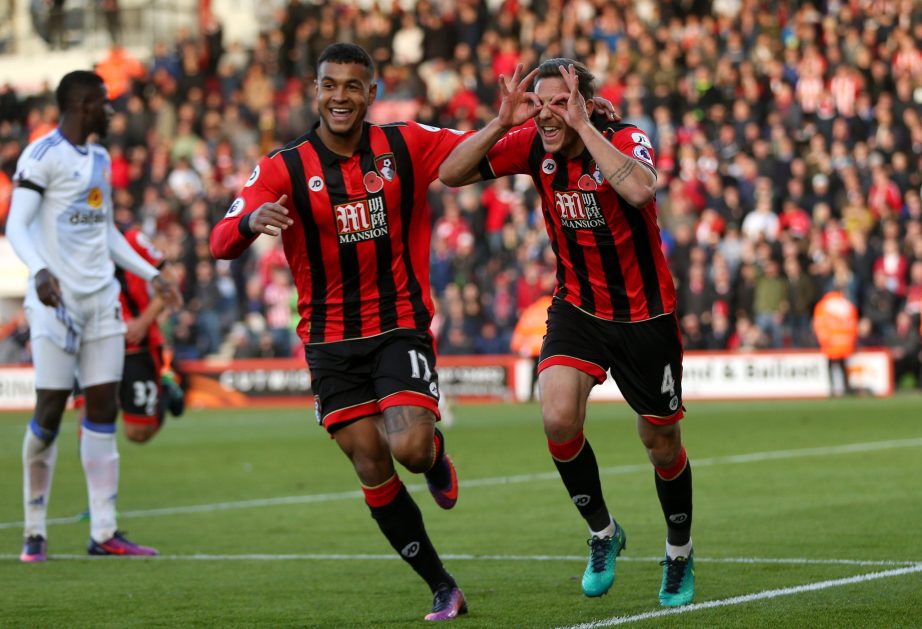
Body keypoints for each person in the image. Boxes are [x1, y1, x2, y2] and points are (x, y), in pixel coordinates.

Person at [209, 43, 468, 622]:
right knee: (371, 463)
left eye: (353, 85)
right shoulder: (284, 167)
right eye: (331, 85)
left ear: (371, 93)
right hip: (329, 342)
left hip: (397, 324)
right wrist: (251, 221)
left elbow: (479, 152)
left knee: (408, 448)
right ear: (316, 90)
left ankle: (433, 455)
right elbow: (220, 239)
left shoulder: (404, 144)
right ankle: (442, 585)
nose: (341, 96)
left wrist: (515, 121)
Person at [439, 60, 695, 607]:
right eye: (540, 103)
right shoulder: (531, 142)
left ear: (584, 102)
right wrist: (501, 120)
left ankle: (678, 553)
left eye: (560, 102)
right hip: (578, 307)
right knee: (556, 416)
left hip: (644, 317)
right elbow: (451, 172)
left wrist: (583, 128)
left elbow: (643, 190)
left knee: (660, 441)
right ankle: (603, 533)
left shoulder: (625, 138)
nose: (547, 115)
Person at [6, 70, 182, 562]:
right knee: (48, 411)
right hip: (56, 304)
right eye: (106, 103)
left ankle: (104, 532)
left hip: (101, 300)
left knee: (104, 406)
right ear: (84, 104)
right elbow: (15, 224)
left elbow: (105, 235)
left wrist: (152, 274)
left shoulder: (101, 158)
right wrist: (40, 269)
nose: (112, 111)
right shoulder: (42, 156)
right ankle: (35, 530)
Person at [115, 225, 185, 443]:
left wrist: (143, 321)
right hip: (96, 340)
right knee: (92, 411)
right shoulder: (69, 237)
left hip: (136, 342)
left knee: (138, 434)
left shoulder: (131, 237)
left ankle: (165, 387)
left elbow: (169, 279)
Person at [812, 290, 858, 396]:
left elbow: (819, 323)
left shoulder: (823, 305)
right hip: (845, 342)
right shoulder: (847, 304)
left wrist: (822, 338)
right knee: (843, 364)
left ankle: (832, 388)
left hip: (830, 342)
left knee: (831, 365)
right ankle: (846, 387)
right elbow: (853, 324)